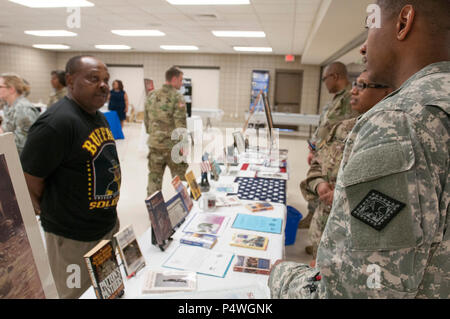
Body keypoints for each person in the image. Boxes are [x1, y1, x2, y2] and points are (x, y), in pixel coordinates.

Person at [269, 0, 449, 298]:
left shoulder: (398, 123)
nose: (363, 47)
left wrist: (281, 275)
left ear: (403, 22)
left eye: (370, 27)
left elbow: (356, 291)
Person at [21, 55, 122, 299]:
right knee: (74, 295)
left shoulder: (97, 115)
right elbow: (30, 181)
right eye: (93, 78)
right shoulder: (56, 123)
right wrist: (63, 210)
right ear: (70, 80)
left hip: (104, 227)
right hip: (73, 238)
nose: (103, 85)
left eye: (106, 79)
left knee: (107, 292)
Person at [300, 70, 392, 263]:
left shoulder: (390, 138)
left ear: (387, 92)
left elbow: (386, 200)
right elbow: (317, 164)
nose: (353, 91)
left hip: (351, 245)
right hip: (323, 227)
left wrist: (342, 196)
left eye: (362, 86)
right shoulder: (342, 129)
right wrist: (319, 185)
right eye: (355, 85)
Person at [299, 62, 358, 251]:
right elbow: (324, 127)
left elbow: (342, 134)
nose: (324, 83)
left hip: (336, 160)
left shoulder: (350, 98)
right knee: (319, 192)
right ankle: (318, 243)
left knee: (330, 204)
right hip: (323, 156)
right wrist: (314, 149)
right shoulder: (336, 99)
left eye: (325, 79)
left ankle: (321, 250)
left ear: (335, 76)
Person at [144, 66, 189, 196]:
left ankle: (155, 213)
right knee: (180, 179)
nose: (181, 83)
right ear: (174, 79)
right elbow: (180, 125)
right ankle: (185, 210)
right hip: (172, 147)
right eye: (180, 80)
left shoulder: (151, 95)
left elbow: (147, 122)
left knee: (154, 179)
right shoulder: (177, 97)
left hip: (155, 145)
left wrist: (155, 136)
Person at [0, 74, 40, 154]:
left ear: (11, 89)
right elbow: (7, 128)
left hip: (23, 160)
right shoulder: (9, 106)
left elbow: (23, 143)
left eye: (0, 87)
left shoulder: (23, 108)